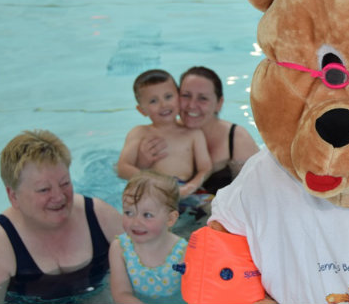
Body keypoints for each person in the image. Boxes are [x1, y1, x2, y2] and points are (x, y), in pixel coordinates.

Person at [0, 130, 122, 303]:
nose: (59, 197)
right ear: (13, 196)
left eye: (65, 183)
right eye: (44, 190)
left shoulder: (99, 216)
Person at [137, 66, 259, 196]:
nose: (192, 105)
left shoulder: (236, 140)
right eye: (186, 95)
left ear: (219, 103)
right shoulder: (160, 135)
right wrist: (142, 164)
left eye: (203, 98)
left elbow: (257, 190)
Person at [117, 69, 212, 198]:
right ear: (142, 110)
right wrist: (156, 184)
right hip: (153, 190)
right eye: (153, 101)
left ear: (179, 97)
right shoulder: (139, 133)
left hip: (186, 188)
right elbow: (122, 167)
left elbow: (205, 168)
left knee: (215, 208)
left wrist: (189, 188)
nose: (163, 105)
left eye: (168, 97)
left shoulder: (193, 134)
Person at [109, 171, 187, 304]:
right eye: (129, 212)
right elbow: (121, 294)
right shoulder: (120, 248)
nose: (135, 222)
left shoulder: (183, 251)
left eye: (147, 215)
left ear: (170, 219)